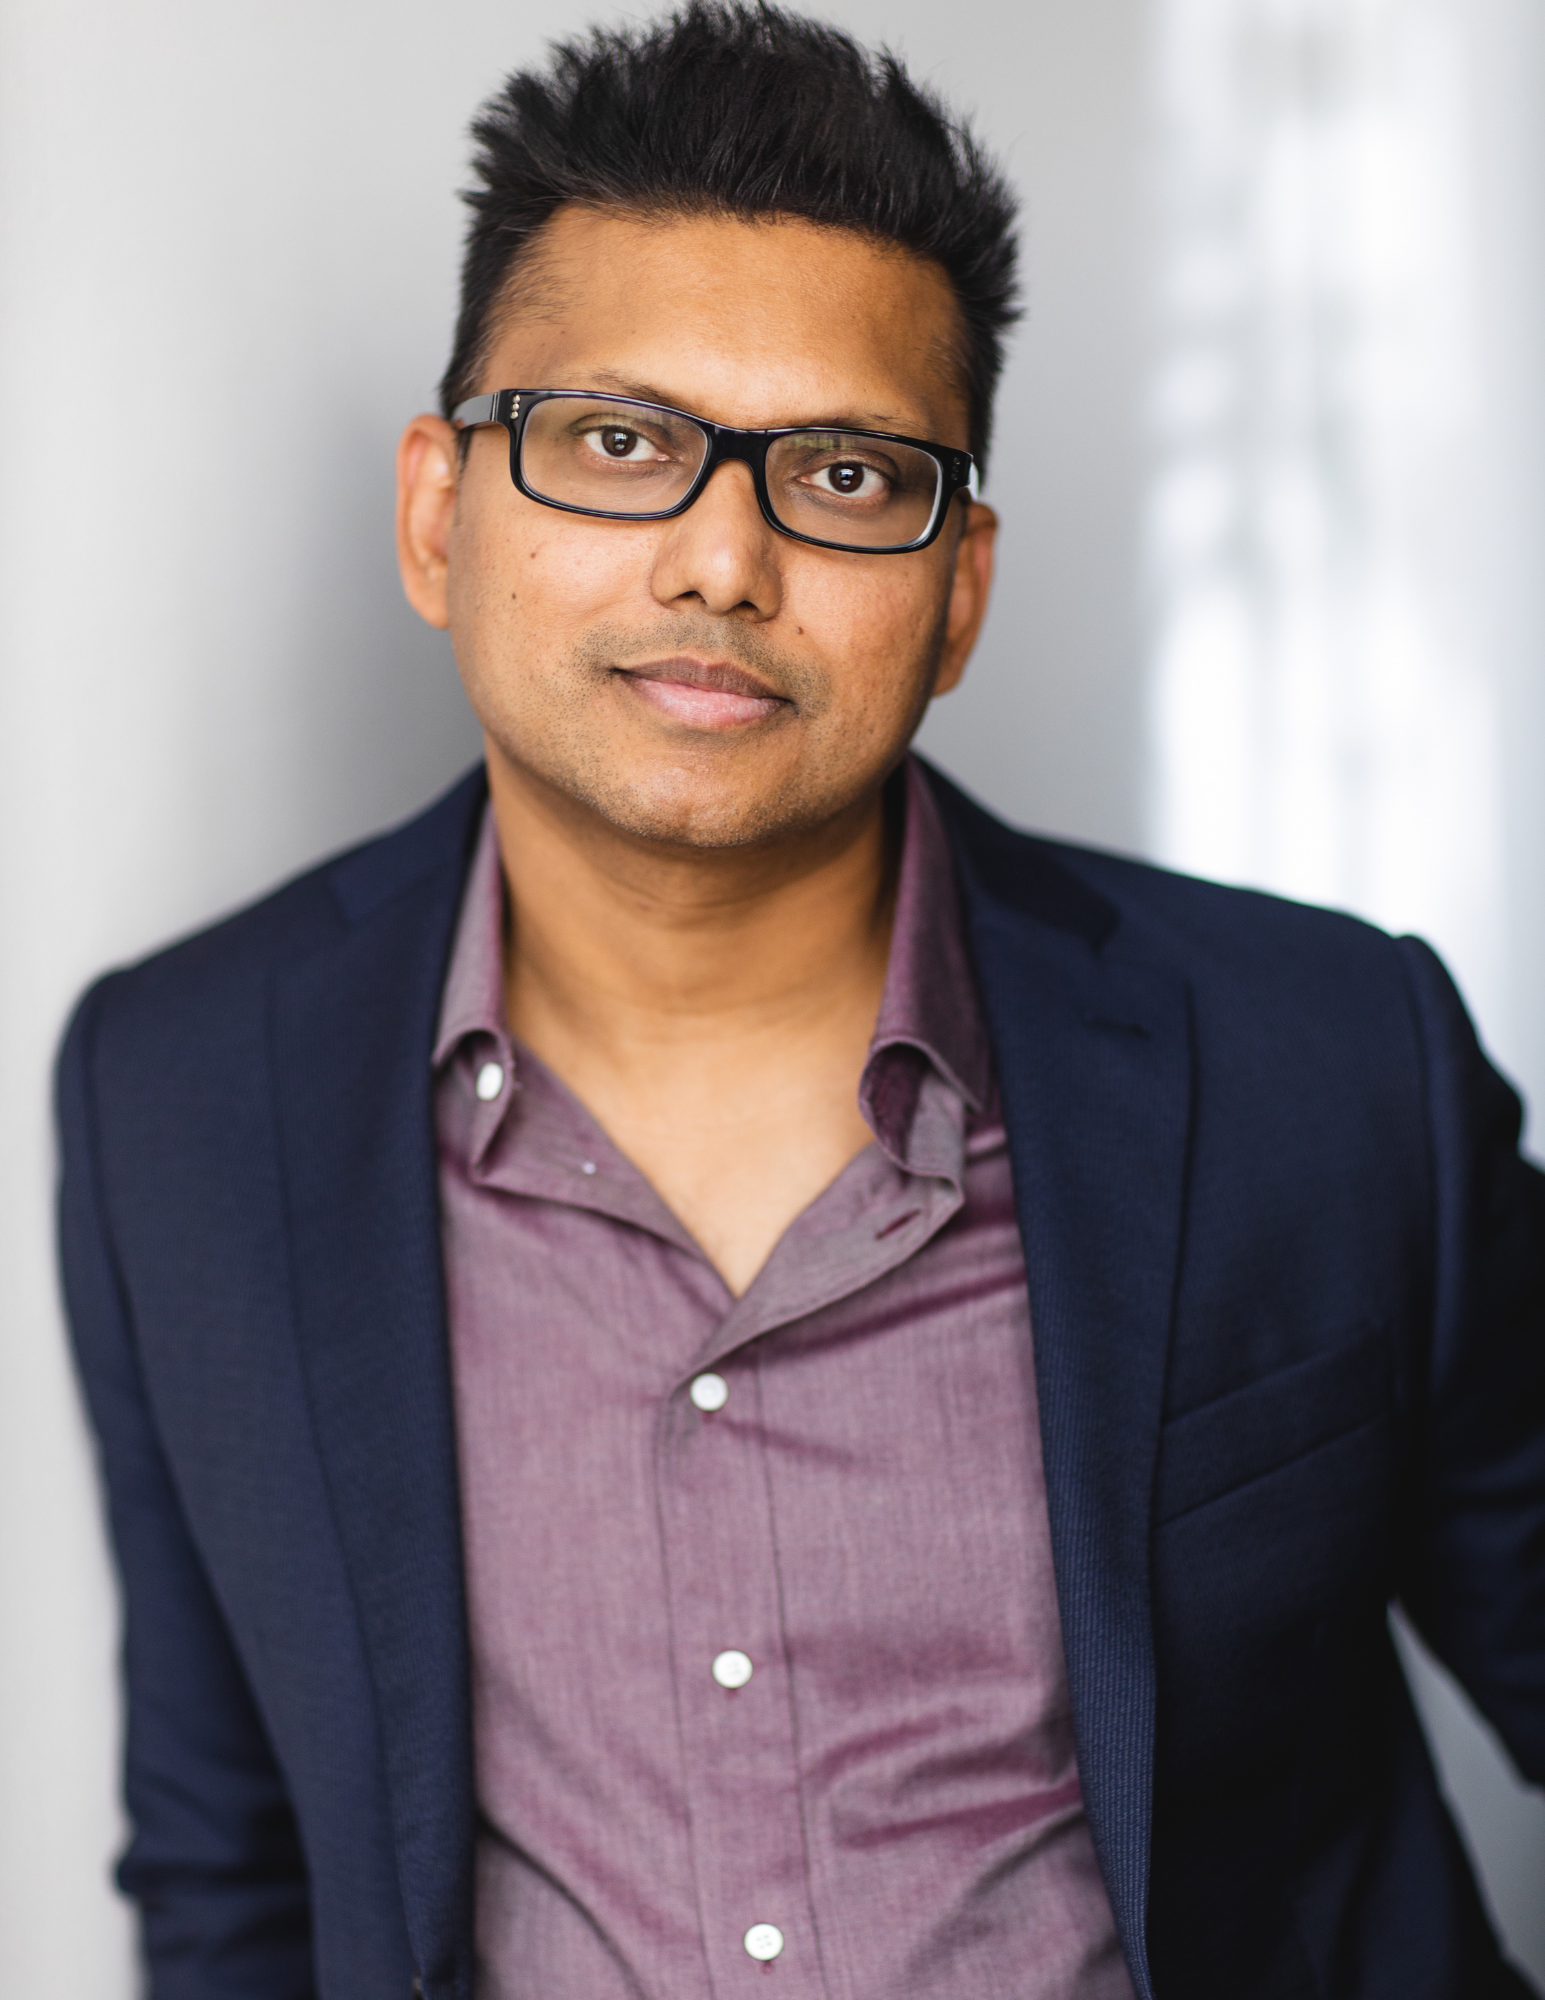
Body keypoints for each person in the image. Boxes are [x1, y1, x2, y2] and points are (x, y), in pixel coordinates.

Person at [56, 6, 1545, 1997]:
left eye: (844, 473)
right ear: (436, 514)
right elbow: (231, 1861)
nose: (722, 561)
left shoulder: (1328, 1064)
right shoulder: (178, 1095)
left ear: (959, 590)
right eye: (616, 442)